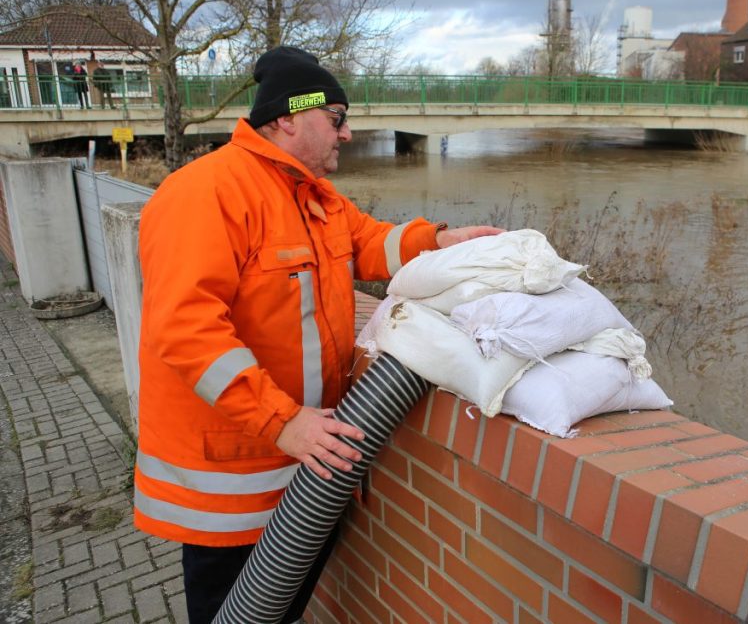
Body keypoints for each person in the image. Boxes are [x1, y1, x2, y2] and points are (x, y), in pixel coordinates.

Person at [133, 45, 501, 624]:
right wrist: (282, 421)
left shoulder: (312, 198)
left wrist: (438, 241)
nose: (348, 134)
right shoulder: (205, 193)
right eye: (335, 119)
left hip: (297, 467)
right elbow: (184, 330)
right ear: (287, 117)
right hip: (234, 476)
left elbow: (368, 243)